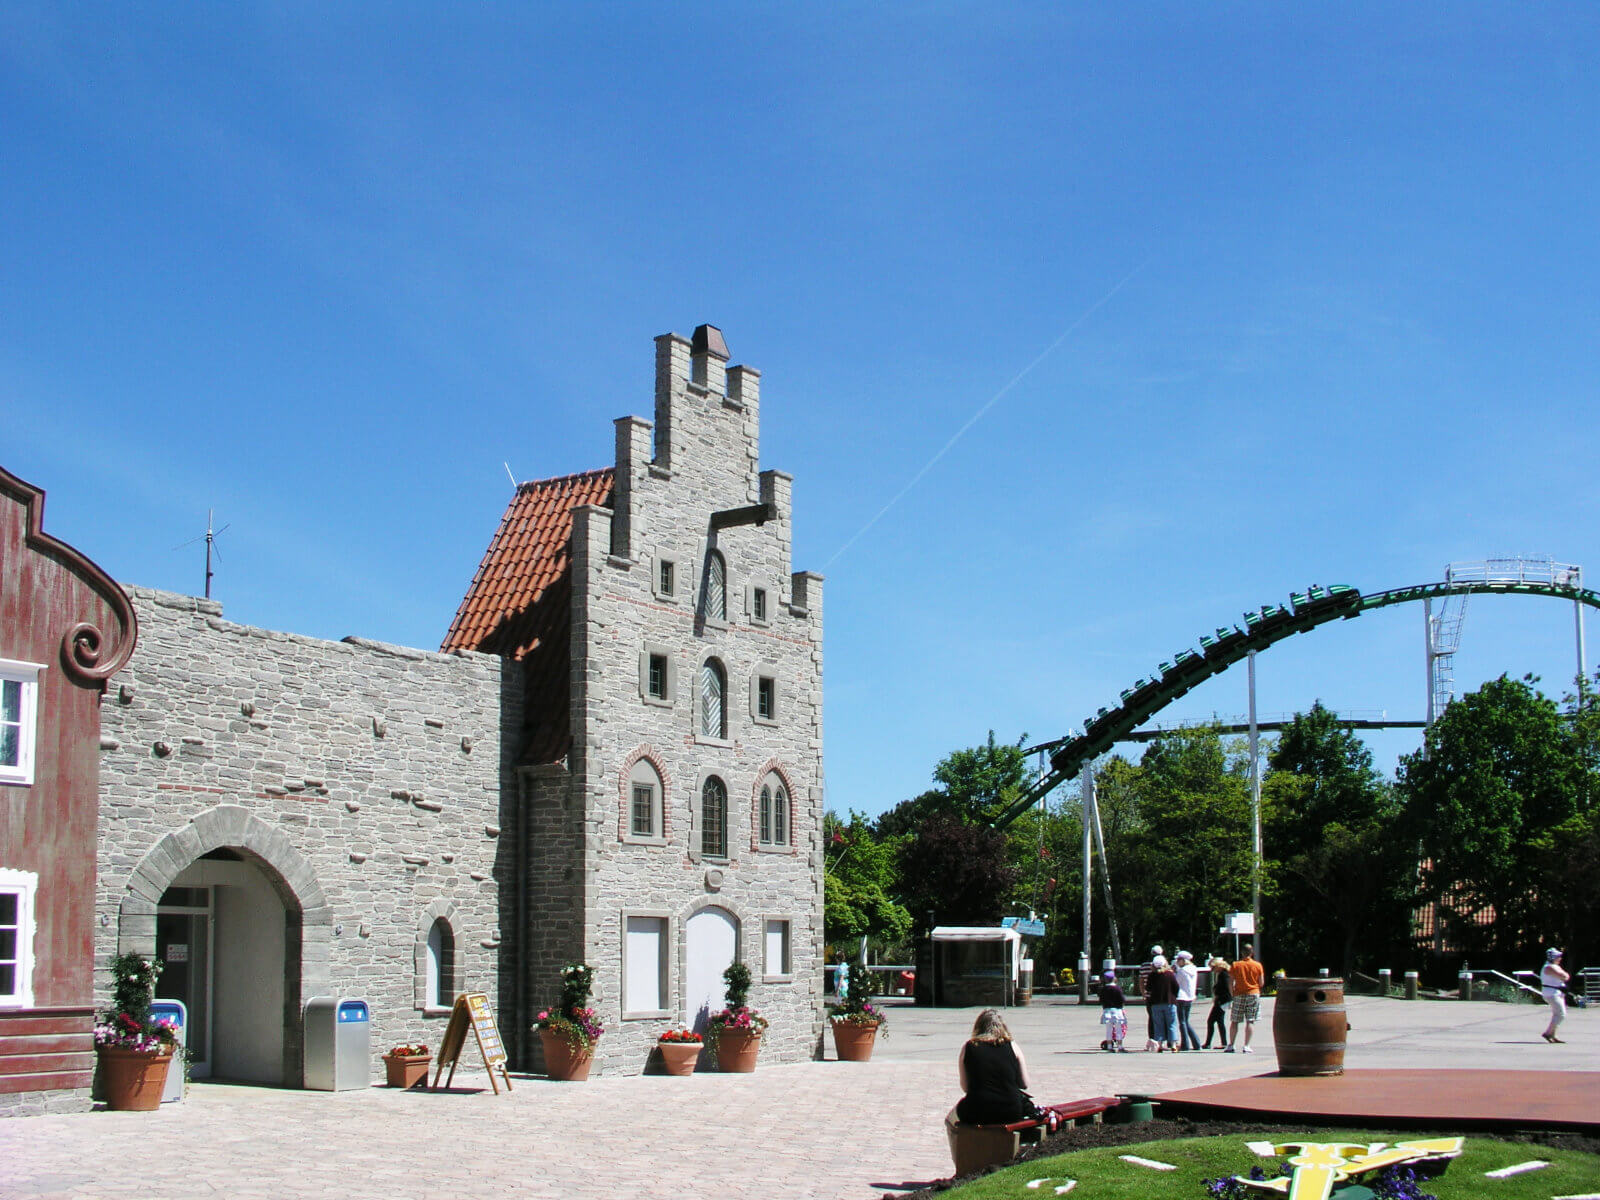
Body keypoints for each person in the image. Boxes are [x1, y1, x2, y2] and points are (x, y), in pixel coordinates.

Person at [956, 1009, 1034, 1125]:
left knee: (960, 1108)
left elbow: (966, 1087)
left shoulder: (968, 1047)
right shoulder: (1012, 1046)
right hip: (1011, 1110)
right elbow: (1025, 1084)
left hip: (978, 1110)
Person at [1226, 943, 1265, 1053]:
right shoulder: (1258, 965)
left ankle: (1231, 1045)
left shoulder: (1235, 965)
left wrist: (1232, 993)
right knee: (1250, 1020)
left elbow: (1230, 981)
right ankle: (1246, 1045)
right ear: (1252, 953)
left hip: (1238, 994)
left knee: (1235, 1021)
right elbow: (1261, 983)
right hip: (1253, 993)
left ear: (1242, 952)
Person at [1144, 954, 1179, 1051]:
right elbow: (1176, 987)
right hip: (1170, 1002)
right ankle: (1173, 1045)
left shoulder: (1152, 975)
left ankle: (1159, 1045)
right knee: (1171, 1024)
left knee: (1158, 1024)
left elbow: (1148, 988)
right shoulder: (1170, 974)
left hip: (1155, 1003)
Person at [1540, 947, 1570, 1044]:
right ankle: (1548, 1033)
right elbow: (1564, 976)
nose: (1560, 958)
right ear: (1552, 957)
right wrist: (1563, 976)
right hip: (1552, 993)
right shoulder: (1549, 967)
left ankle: (1553, 1034)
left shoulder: (1553, 966)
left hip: (1556, 993)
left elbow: (1564, 976)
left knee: (1557, 1014)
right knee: (1561, 1014)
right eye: (1558, 956)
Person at [1203, 954, 1232, 1049]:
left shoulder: (1224, 975)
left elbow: (1225, 989)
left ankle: (1208, 1043)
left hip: (1221, 1001)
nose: (1212, 970)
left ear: (1218, 966)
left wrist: (1218, 996)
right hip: (1221, 1000)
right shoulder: (1223, 973)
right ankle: (1223, 1042)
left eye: (1213, 967)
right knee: (1219, 1022)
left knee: (1210, 1021)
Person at [1173, 950, 1201, 1051]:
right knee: (1186, 1021)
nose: (1177, 962)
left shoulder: (1182, 971)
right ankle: (1196, 1043)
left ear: (1183, 960)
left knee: (1182, 1022)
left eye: (1178, 960)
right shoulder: (1193, 969)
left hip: (1181, 996)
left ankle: (1185, 1044)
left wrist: (1174, 972)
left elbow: (1176, 982)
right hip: (1189, 997)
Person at [1099, 971, 1129, 1052]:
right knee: (1118, 1029)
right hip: (1117, 1010)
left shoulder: (1104, 989)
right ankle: (1120, 1046)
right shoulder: (1117, 989)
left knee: (1109, 1029)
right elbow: (1122, 999)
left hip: (1107, 1010)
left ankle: (1109, 1046)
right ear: (1114, 979)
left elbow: (1101, 999)